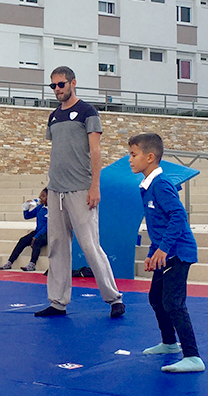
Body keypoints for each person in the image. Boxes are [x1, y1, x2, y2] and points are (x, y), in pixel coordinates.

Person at [35, 66, 125, 318]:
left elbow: (95, 151)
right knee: (56, 246)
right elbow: (59, 152)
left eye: (61, 85)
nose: (57, 90)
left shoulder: (87, 112)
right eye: (52, 86)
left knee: (89, 245)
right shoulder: (53, 116)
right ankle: (57, 302)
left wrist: (95, 185)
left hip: (81, 189)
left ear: (73, 83)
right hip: (56, 191)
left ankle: (113, 298)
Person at [128, 133, 204, 373]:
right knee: (156, 298)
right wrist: (153, 253)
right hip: (165, 252)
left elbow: (178, 217)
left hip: (178, 253)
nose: (129, 160)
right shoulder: (147, 186)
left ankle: (192, 356)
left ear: (150, 157)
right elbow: (159, 226)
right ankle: (170, 343)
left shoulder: (161, 184)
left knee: (173, 302)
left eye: (133, 155)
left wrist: (163, 249)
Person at [0, 188, 48, 272]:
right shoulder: (40, 207)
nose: (40, 198)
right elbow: (27, 216)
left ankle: (32, 264)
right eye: (40, 195)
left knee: (37, 242)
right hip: (38, 231)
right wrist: (26, 208)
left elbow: (48, 226)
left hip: (47, 233)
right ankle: (9, 262)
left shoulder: (52, 209)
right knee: (22, 240)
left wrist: (36, 236)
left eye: (43, 196)